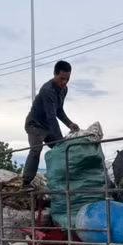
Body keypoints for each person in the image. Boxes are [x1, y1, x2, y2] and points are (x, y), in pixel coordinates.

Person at [21, 60, 80, 190]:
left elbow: (58, 110)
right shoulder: (47, 90)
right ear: (54, 74)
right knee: (36, 149)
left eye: (67, 79)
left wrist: (69, 124)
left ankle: (63, 180)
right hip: (35, 125)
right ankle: (25, 183)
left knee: (61, 151)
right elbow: (51, 116)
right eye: (61, 78)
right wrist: (60, 139)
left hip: (48, 126)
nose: (64, 82)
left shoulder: (64, 89)